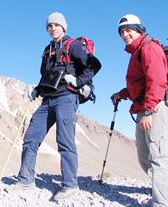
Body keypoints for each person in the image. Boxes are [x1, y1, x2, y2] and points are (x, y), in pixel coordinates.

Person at [7, 12, 101, 201]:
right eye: (50, 26)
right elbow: (46, 76)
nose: (53, 28)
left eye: (56, 25)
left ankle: (70, 185)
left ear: (64, 27)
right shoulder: (48, 50)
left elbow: (95, 65)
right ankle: (26, 179)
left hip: (66, 97)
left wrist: (78, 81)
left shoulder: (73, 45)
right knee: (31, 138)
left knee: (64, 141)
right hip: (47, 99)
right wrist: (37, 90)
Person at [111, 14, 168, 206]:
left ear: (138, 29)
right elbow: (140, 84)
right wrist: (122, 94)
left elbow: (157, 81)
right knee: (145, 158)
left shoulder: (149, 48)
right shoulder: (136, 52)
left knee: (158, 156)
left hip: (155, 108)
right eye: (121, 32)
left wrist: (148, 111)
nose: (125, 34)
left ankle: (164, 202)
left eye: (128, 29)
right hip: (145, 107)